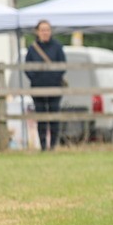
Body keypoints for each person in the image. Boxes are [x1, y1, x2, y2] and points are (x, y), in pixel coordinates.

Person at [24, 20, 66, 151]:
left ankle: (53, 145)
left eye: (47, 29)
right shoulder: (32, 49)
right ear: (37, 32)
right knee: (41, 117)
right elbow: (27, 67)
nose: (45, 32)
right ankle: (43, 145)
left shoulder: (57, 47)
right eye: (42, 30)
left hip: (54, 86)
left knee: (54, 116)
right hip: (38, 87)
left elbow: (63, 65)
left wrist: (54, 78)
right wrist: (35, 79)